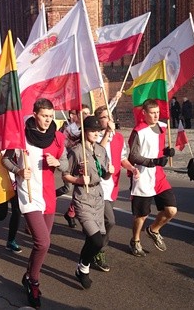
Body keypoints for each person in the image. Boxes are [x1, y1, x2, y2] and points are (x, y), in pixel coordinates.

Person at [2, 98, 68, 308]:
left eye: (51, 116)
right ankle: (34, 281)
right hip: (28, 193)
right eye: (44, 116)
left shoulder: (58, 137)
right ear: (35, 114)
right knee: (43, 242)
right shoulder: (20, 135)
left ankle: (29, 275)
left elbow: (66, 163)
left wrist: (58, 162)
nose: (48, 120)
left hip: (48, 195)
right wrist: (18, 171)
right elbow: (6, 159)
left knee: (42, 244)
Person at [62, 115, 114, 289]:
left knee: (93, 240)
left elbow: (104, 173)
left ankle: (82, 268)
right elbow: (65, 174)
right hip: (83, 198)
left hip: (98, 195)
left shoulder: (101, 150)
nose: (96, 134)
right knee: (97, 241)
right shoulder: (76, 151)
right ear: (84, 132)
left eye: (98, 131)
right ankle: (84, 267)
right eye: (92, 131)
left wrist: (109, 173)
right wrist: (77, 180)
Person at [91, 105, 139, 272]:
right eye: (104, 117)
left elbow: (122, 158)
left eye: (109, 116)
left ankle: (94, 246)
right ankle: (99, 251)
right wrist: (106, 134)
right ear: (99, 121)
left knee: (103, 223)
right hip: (97, 186)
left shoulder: (118, 138)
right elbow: (98, 152)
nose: (108, 119)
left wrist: (132, 169)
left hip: (112, 186)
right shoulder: (95, 137)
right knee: (110, 221)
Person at [127, 99, 177, 257]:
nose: (156, 116)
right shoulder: (138, 131)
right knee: (142, 215)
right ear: (144, 113)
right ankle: (135, 241)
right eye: (152, 113)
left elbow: (160, 149)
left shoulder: (162, 127)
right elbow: (133, 155)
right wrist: (152, 161)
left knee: (171, 210)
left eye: (157, 112)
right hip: (142, 176)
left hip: (159, 176)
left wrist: (167, 152)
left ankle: (154, 229)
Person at [60, 104, 91, 228]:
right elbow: (64, 145)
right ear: (76, 115)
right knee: (67, 188)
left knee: (82, 189)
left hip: (83, 162)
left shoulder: (89, 128)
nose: (87, 116)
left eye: (88, 113)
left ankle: (71, 213)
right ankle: (49, 197)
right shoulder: (70, 129)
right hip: (70, 161)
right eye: (84, 113)